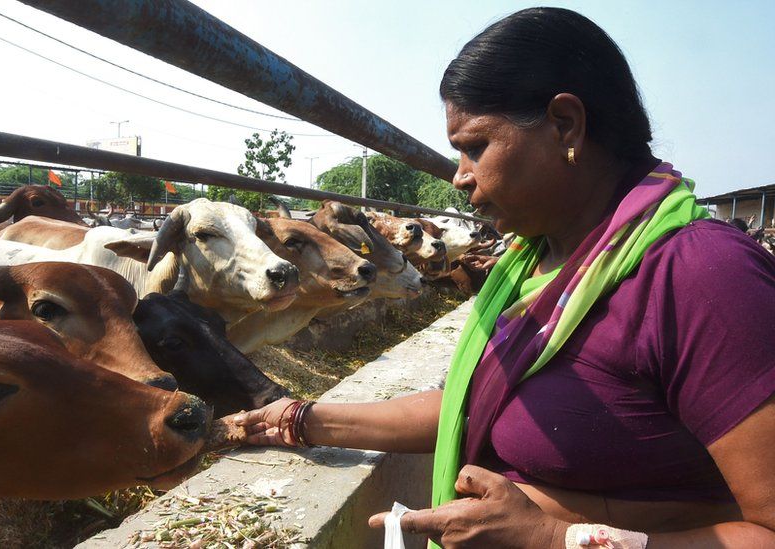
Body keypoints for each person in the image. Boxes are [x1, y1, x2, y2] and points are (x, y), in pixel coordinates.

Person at [233, 7, 775, 548]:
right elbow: (473, 401)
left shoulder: (702, 275)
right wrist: (302, 420)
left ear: (566, 124)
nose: (460, 177)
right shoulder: (532, 262)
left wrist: (557, 538)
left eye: (475, 146)